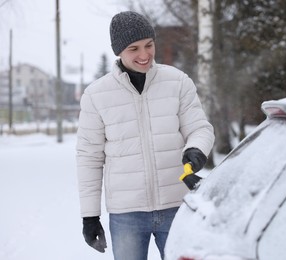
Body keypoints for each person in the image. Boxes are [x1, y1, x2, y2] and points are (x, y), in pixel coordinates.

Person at [76, 10, 215, 260]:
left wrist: (196, 149)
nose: (144, 55)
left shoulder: (177, 81)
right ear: (118, 51)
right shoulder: (96, 95)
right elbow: (89, 158)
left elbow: (199, 128)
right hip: (126, 213)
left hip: (177, 205)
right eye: (134, 49)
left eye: (149, 45)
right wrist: (90, 216)